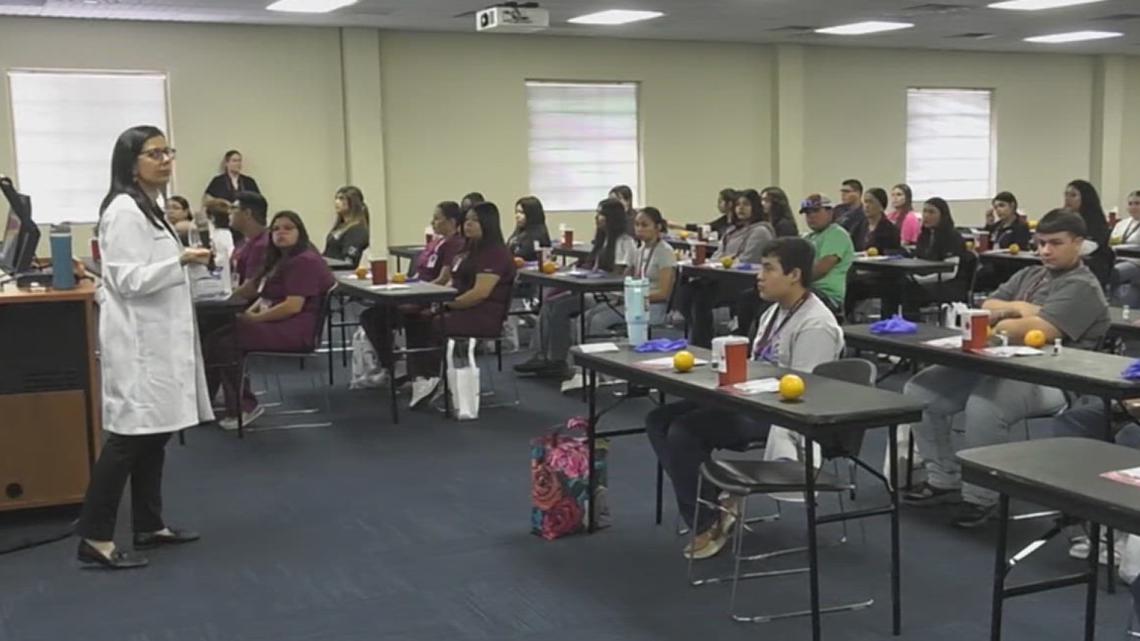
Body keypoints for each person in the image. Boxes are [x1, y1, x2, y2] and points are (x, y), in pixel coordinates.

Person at [903, 209, 1110, 529]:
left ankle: (981, 496)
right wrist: (1017, 308)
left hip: (1054, 377)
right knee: (919, 391)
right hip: (1000, 364)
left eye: (1055, 243)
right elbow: (985, 306)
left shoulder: (1083, 286)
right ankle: (942, 477)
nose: (1045, 251)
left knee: (985, 406)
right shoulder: (1030, 274)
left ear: (1079, 244)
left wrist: (1012, 318)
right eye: (1040, 243)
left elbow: (1032, 331)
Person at [647, 237, 843, 559]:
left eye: (768, 269)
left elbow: (805, 392)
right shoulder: (774, 313)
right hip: (753, 399)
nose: (759, 276)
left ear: (794, 275)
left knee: (685, 431)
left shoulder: (815, 324)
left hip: (784, 417)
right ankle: (716, 499)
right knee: (658, 419)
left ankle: (707, 519)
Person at [77, 125, 212, 570]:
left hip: (156, 339)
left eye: (167, 151)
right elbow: (129, 280)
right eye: (154, 153)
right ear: (130, 163)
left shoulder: (149, 207)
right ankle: (95, 537)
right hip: (137, 344)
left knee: (154, 434)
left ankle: (148, 524)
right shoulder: (123, 211)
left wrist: (179, 260)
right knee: (128, 439)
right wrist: (181, 260)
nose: (165, 159)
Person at [206, 211, 335, 428]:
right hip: (277, 322)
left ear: (300, 232)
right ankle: (212, 402)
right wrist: (248, 315)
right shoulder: (279, 260)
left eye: (287, 228)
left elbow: (292, 306)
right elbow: (266, 295)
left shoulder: (304, 261)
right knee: (218, 333)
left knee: (226, 341)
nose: (280, 233)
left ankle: (244, 407)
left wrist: (255, 320)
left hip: (296, 328)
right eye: (276, 229)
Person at [404, 202, 517, 406]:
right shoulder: (466, 249)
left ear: (488, 223)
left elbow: (479, 293)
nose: (468, 224)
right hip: (459, 306)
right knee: (415, 317)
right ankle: (420, 376)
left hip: (482, 314)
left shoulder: (495, 253)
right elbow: (451, 280)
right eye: (467, 220)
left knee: (435, 322)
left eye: (474, 220)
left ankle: (432, 377)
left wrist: (447, 305)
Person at [515, 198, 637, 379]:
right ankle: (543, 356)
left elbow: (617, 275)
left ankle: (557, 360)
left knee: (560, 309)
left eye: (601, 214)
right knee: (550, 305)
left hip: (608, 295)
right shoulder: (603, 240)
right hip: (592, 290)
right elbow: (593, 267)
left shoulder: (624, 242)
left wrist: (592, 276)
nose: (597, 218)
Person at [359, 202, 465, 366]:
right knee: (372, 315)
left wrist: (419, 290)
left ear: (451, 222)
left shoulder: (454, 244)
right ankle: (392, 360)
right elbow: (419, 272)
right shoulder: (436, 242)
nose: (433, 222)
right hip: (414, 290)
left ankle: (394, 363)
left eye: (437, 219)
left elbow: (443, 279)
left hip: (426, 298)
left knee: (376, 317)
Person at [679, 189, 775, 347]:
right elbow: (718, 254)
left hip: (743, 282)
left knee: (701, 297)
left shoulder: (761, 231)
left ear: (755, 207)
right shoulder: (731, 231)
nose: (740, 208)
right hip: (720, 277)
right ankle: (699, 334)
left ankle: (702, 343)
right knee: (686, 291)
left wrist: (722, 264)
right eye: (738, 205)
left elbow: (746, 260)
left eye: (746, 205)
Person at [575, 206, 676, 336]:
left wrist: (635, 297)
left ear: (658, 227)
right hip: (633, 303)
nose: (639, 229)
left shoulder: (665, 252)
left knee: (597, 321)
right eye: (637, 225)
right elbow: (626, 279)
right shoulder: (639, 250)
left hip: (652, 307)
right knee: (584, 318)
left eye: (644, 225)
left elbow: (664, 293)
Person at [881, 198, 968, 320]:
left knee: (909, 290)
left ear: (942, 215)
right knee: (891, 285)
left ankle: (912, 325)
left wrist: (921, 280)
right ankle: (887, 322)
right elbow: (917, 259)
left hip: (949, 284)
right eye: (925, 211)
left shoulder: (952, 237)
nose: (926, 216)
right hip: (924, 280)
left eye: (931, 212)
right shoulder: (924, 235)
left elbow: (950, 273)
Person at [844, 188, 902, 320]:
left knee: (851, 285)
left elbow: (892, 253)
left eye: (870, 202)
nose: (866, 206)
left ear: (881, 205)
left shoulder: (889, 229)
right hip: (858, 270)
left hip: (880, 275)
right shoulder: (859, 225)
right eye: (865, 202)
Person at [799, 194, 854, 314]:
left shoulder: (837, 234)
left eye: (816, 211)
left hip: (826, 295)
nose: (811, 216)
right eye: (808, 213)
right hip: (807, 290)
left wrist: (793, 281)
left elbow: (821, 269)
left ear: (830, 212)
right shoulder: (808, 237)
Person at [975, 191, 1032, 292]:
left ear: (1012, 205)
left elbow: (1020, 250)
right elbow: (985, 243)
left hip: (1008, 267)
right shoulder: (996, 226)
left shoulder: (1020, 227)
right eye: (996, 207)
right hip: (991, 263)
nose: (998, 210)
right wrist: (988, 224)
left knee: (980, 276)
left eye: (1002, 206)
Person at [1066, 179, 1113, 288]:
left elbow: (1087, 248)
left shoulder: (1096, 221)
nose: (1068, 199)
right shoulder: (1063, 218)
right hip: (1068, 263)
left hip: (1092, 266)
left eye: (1073, 195)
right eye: (1066, 195)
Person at [229, 191, 269, 286]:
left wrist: (227, 299)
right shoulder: (243, 241)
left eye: (233, 208)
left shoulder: (261, 245)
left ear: (247, 213)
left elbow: (250, 287)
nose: (229, 212)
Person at [323, 186, 370, 265]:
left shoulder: (357, 230)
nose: (337, 202)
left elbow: (348, 261)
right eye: (336, 198)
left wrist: (322, 262)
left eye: (341, 198)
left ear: (353, 202)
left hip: (342, 274)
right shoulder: (340, 226)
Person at [1110, 190, 1140, 307]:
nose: (1133, 207)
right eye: (1130, 203)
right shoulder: (1121, 224)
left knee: (1114, 273)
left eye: (1137, 203)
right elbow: (1112, 242)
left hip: (1135, 263)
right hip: (1116, 259)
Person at [669, 188, 735, 238]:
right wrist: (677, 226)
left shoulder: (738, 223)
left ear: (729, 203)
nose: (718, 205)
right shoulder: (723, 220)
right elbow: (705, 227)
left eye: (720, 201)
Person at [507, 196, 552, 262]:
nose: (517, 216)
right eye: (516, 212)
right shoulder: (519, 231)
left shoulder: (538, 234)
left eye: (521, 213)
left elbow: (523, 254)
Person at [833, 179, 868, 250]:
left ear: (858, 193)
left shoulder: (865, 212)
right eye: (842, 191)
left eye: (846, 191)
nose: (843, 194)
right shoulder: (837, 210)